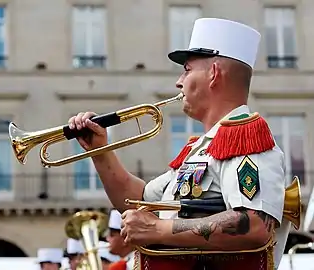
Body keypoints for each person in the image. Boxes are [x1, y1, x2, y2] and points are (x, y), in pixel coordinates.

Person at [68, 18, 290, 269]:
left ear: (214, 74)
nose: (179, 81)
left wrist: (160, 229)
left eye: (187, 69)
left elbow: (255, 223)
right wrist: (101, 152)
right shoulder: (201, 148)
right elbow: (140, 201)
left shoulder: (244, 138)